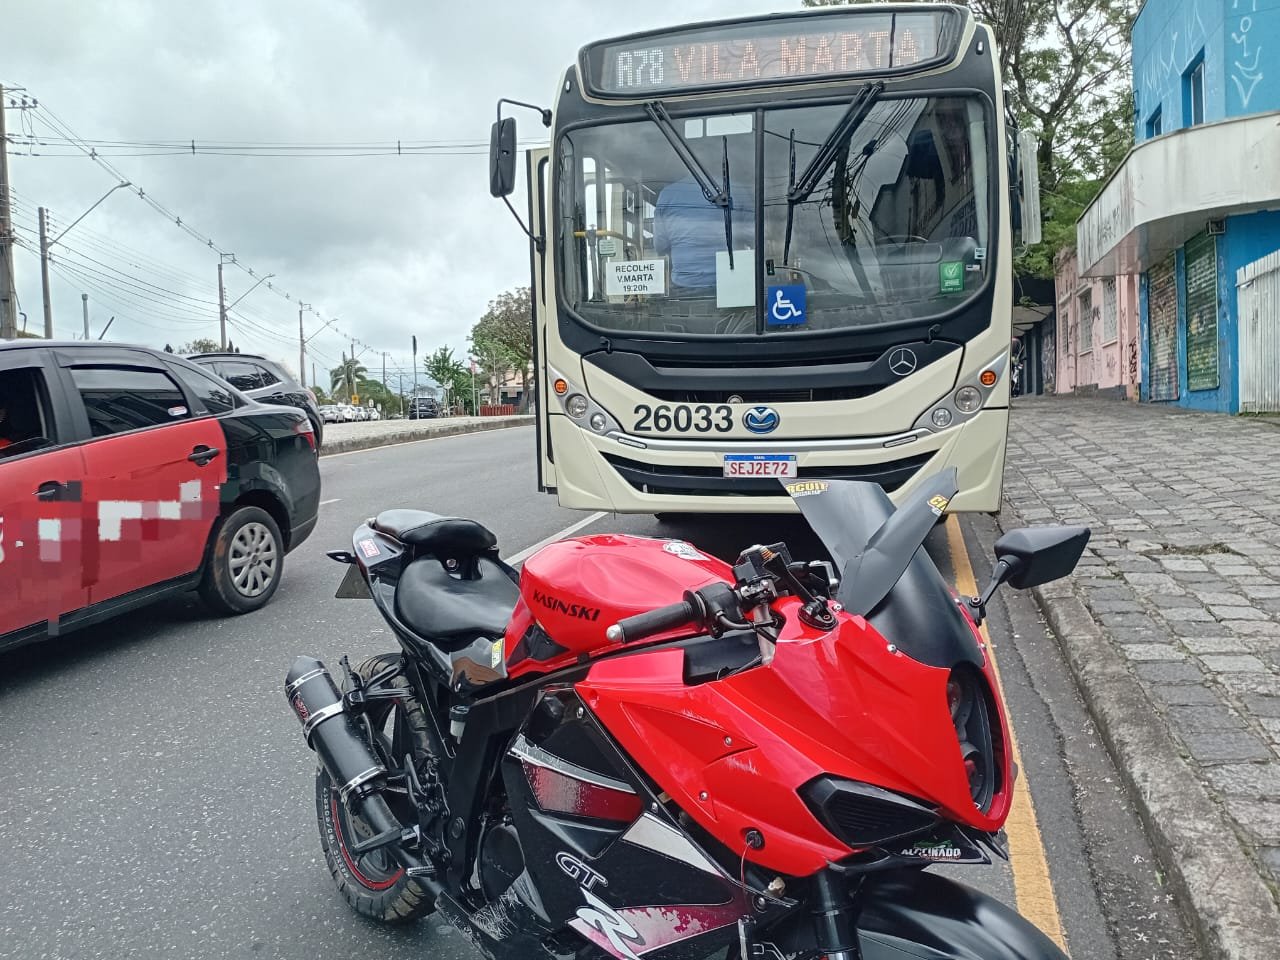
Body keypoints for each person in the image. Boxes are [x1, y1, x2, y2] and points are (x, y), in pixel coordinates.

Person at [652, 172, 754, 295]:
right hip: (732, 283)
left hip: (684, 285)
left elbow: (660, 246)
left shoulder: (667, 195)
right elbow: (757, 237)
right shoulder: (737, 190)